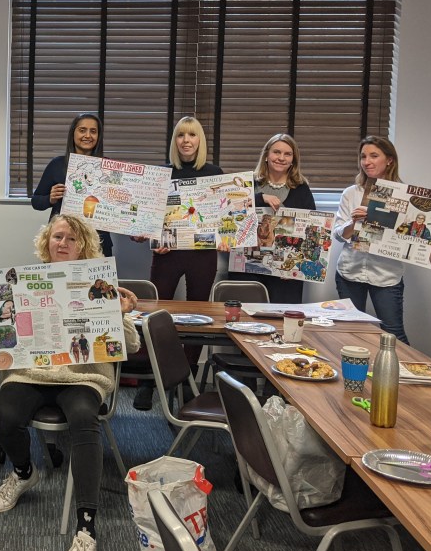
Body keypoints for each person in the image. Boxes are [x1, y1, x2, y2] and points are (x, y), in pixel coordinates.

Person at [0, 214, 139, 551]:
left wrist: (122, 317)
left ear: (84, 246)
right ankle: (24, 472)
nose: (62, 243)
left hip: (82, 377)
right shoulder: (22, 281)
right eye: (57, 236)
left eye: (71, 239)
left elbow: (133, 345)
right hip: (31, 373)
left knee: (82, 419)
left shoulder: (99, 282)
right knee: (5, 415)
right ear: (47, 241)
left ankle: (86, 529)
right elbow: (2, 334)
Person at [130, 117, 221, 410]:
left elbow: (223, 218)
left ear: (200, 141)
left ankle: (188, 381)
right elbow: (145, 219)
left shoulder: (214, 174)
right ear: (175, 141)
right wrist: (141, 232)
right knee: (155, 313)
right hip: (166, 254)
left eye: (192, 135)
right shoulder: (160, 175)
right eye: (181, 135)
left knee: (199, 316)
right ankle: (147, 381)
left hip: (202, 256)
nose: (186, 140)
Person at [332, 136, 408, 343]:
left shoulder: (404, 197)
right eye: (363, 156)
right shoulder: (351, 193)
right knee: (353, 333)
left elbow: (412, 238)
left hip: (386, 275)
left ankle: (404, 375)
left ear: (389, 160)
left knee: (393, 334)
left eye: (374, 156)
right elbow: (338, 235)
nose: (367, 162)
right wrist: (353, 223)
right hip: (350, 272)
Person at [229, 133, 316, 304]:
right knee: (245, 319)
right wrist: (261, 198)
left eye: (287, 154)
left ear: (293, 160)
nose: (281, 158)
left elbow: (311, 230)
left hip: (285, 273)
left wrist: (293, 267)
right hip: (247, 269)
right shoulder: (248, 184)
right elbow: (230, 212)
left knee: (281, 321)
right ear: (267, 155)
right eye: (276, 152)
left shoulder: (301, 189)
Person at [31, 113, 113, 257]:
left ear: (98, 136)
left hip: (98, 241)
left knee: (98, 281)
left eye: (93, 131)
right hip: (62, 242)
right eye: (82, 130)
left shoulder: (108, 168)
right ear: (73, 133)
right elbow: (36, 201)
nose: (88, 135)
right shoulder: (57, 165)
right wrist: (50, 198)